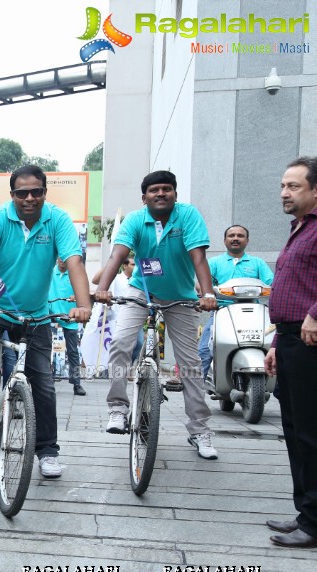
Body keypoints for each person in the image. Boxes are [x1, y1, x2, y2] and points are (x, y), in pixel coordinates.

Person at [0, 165, 91, 477]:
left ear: (44, 192)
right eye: (21, 193)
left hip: (35, 314)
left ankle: (48, 451)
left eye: (36, 192)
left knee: (43, 383)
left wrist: (83, 305)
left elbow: (74, 261)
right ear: (12, 195)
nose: (29, 198)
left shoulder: (58, 220)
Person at [94, 171, 219, 458]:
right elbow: (117, 255)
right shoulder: (136, 220)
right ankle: (117, 409)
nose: (160, 194)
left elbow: (198, 256)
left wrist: (208, 294)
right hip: (142, 290)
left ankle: (199, 430)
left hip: (181, 294)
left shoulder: (188, 216)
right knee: (121, 344)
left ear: (175, 194)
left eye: (166, 189)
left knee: (190, 363)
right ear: (144, 197)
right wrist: (102, 289)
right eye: (154, 190)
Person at [264, 156, 317, 548]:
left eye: (294, 186)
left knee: (311, 434)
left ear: (315, 190)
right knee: (295, 432)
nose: (284, 192)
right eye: (283, 185)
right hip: (290, 339)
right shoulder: (300, 229)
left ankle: (314, 523)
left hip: (310, 340)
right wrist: (276, 344)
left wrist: (315, 314)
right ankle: (305, 513)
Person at [198, 225, 274, 381]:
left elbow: (272, 284)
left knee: (272, 347)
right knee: (204, 351)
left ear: (247, 241)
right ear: (224, 240)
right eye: (231, 235)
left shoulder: (257, 263)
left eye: (240, 236)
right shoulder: (214, 262)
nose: (235, 238)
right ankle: (195, 395)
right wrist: (206, 294)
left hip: (253, 314)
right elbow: (201, 284)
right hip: (222, 312)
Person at [49, 257, 86, 395]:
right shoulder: (50, 271)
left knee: (72, 351)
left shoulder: (75, 273)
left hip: (69, 315)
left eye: (64, 259)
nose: (61, 261)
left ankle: (77, 384)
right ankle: (47, 380)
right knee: (45, 347)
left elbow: (83, 290)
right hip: (50, 313)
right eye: (59, 258)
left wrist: (77, 295)